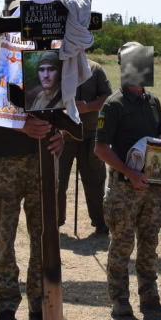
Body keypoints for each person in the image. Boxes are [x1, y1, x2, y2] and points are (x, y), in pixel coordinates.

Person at [0, 0, 67, 320]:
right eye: (16, 12)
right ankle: (4, 305)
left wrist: (58, 133)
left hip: (43, 157)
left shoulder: (49, 51)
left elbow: (61, 101)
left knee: (43, 234)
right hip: (4, 158)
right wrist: (23, 125)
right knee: (4, 233)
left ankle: (40, 303)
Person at [93, 42, 161, 318]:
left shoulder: (153, 102)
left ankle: (150, 298)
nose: (141, 67)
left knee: (150, 243)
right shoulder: (113, 105)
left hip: (152, 191)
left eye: (144, 61)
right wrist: (130, 173)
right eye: (135, 61)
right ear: (125, 66)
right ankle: (119, 300)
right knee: (122, 245)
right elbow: (101, 148)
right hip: (123, 189)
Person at [55, 49, 112, 233]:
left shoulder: (95, 69)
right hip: (63, 136)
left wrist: (87, 107)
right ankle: (54, 222)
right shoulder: (57, 68)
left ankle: (101, 223)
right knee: (57, 180)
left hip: (90, 135)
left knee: (95, 180)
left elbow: (107, 98)